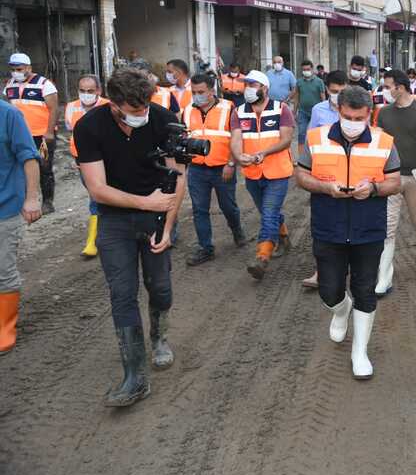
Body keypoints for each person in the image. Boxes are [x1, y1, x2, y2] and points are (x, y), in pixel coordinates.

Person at [74, 67, 185, 406]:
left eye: (146, 107)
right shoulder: (89, 127)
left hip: (156, 216)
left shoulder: (164, 118)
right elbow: (97, 189)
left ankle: (159, 337)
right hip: (115, 220)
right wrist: (143, 201)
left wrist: (167, 226)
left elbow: (178, 175)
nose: (143, 115)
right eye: (136, 111)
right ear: (114, 105)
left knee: (160, 286)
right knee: (122, 293)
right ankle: (134, 376)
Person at [296, 86, 402, 378]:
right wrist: (324, 187)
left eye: (359, 117)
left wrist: (375, 188)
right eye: (346, 116)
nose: (352, 122)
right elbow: (301, 175)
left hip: (368, 229)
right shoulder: (316, 138)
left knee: (365, 289)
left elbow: (396, 182)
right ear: (337, 112)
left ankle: (360, 352)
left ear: (370, 114)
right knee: (330, 289)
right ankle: (340, 310)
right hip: (328, 227)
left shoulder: (384, 142)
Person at [374, 69, 416, 295]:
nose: (385, 90)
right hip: (390, 176)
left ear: (400, 87)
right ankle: (384, 277)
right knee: (387, 227)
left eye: (387, 86)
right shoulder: (383, 113)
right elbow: (379, 143)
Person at [229, 70, 295, 279]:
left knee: (268, 211)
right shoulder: (238, 112)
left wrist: (263, 153)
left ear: (264, 88)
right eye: (246, 85)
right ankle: (283, 235)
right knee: (269, 212)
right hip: (252, 173)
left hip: (277, 171)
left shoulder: (281, 109)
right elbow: (236, 139)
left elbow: (286, 139)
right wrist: (239, 156)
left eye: (252, 85)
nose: (248, 89)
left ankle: (262, 256)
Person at [182, 73, 246, 266]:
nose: (197, 95)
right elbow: (183, 136)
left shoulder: (229, 108)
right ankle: (205, 248)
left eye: (201, 92)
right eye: (194, 92)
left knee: (228, 206)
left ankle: (236, 230)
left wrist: (231, 163)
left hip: (223, 168)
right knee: (199, 209)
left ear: (212, 90)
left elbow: (237, 139)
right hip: (196, 169)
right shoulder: (187, 110)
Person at [0, 99, 42, 356]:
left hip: (5, 207)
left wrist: (32, 197)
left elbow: (29, 157)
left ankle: (5, 329)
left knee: (2, 270)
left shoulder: (9, 115)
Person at [302, 70, 349, 289]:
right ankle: (320, 272)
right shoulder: (318, 110)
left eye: (342, 91)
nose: (337, 95)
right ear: (326, 90)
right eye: (333, 91)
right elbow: (311, 140)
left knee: (351, 223)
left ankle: (353, 267)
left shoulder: (354, 110)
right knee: (322, 225)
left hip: (351, 174)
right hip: (323, 176)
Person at [5, 53, 58, 214]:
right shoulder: (10, 84)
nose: (16, 72)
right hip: (18, 136)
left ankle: (48, 202)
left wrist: (49, 132)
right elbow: (8, 108)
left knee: (44, 167)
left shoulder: (44, 84)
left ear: (29, 68)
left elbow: (54, 109)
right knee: (21, 168)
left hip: (40, 136)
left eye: (19, 69)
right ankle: (25, 200)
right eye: (13, 69)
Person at [65, 75, 109, 257]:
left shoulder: (108, 106)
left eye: (90, 91)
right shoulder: (71, 107)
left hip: (106, 161)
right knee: (96, 197)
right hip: (82, 163)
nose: (86, 94)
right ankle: (98, 238)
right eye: (82, 91)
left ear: (98, 91)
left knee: (99, 198)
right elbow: (72, 134)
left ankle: (94, 241)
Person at [291, 59, 327, 155]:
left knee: (316, 133)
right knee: (302, 133)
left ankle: (316, 154)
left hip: (316, 112)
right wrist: (294, 112)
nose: (305, 71)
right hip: (303, 112)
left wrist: (324, 111)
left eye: (307, 69)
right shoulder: (299, 82)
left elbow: (323, 97)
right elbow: (297, 97)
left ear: (312, 69)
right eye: (304, 69)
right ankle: (301, 157)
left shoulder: (319, 82)